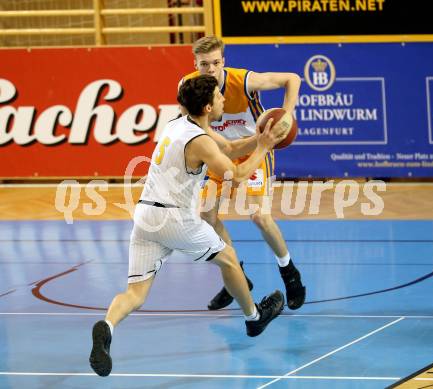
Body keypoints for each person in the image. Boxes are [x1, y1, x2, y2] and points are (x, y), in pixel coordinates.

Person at [89, 75, 288, 377]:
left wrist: (259, 137)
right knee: (230, 260)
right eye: (219, 97)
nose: (224, 100)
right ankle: (253, 318)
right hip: (175, 218)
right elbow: (238, 171)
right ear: (208, 107)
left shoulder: (178, 124)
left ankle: (107, 327)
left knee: (135, 294)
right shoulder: (202, 142)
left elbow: (230, 148)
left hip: (145, 217)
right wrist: (263, 148)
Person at [180, 36, 306, 311]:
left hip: (255, 151)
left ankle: (290, 273)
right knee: (206, 216)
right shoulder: (188, 87)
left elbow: (293, 79)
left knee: (260, 216)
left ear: (223, 61)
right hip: (220, 153)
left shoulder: (244, 81)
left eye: (215, 63)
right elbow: (196, 128)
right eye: (204, 64)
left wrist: (287, 114)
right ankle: (235, 275)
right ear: (195, 64)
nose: (210, 69)